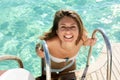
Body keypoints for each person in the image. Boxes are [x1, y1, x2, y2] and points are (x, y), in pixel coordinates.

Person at [35, 9, 96, 80]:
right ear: (57, 31)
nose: (68, 31)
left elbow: (85, 43)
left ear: (79, 30)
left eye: (73, 27)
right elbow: (39, 45)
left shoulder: (82, 37)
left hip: (69, 68)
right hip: (51, 70)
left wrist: (89, 42)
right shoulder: (50, 42)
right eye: (63, 27)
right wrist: (38, 51)